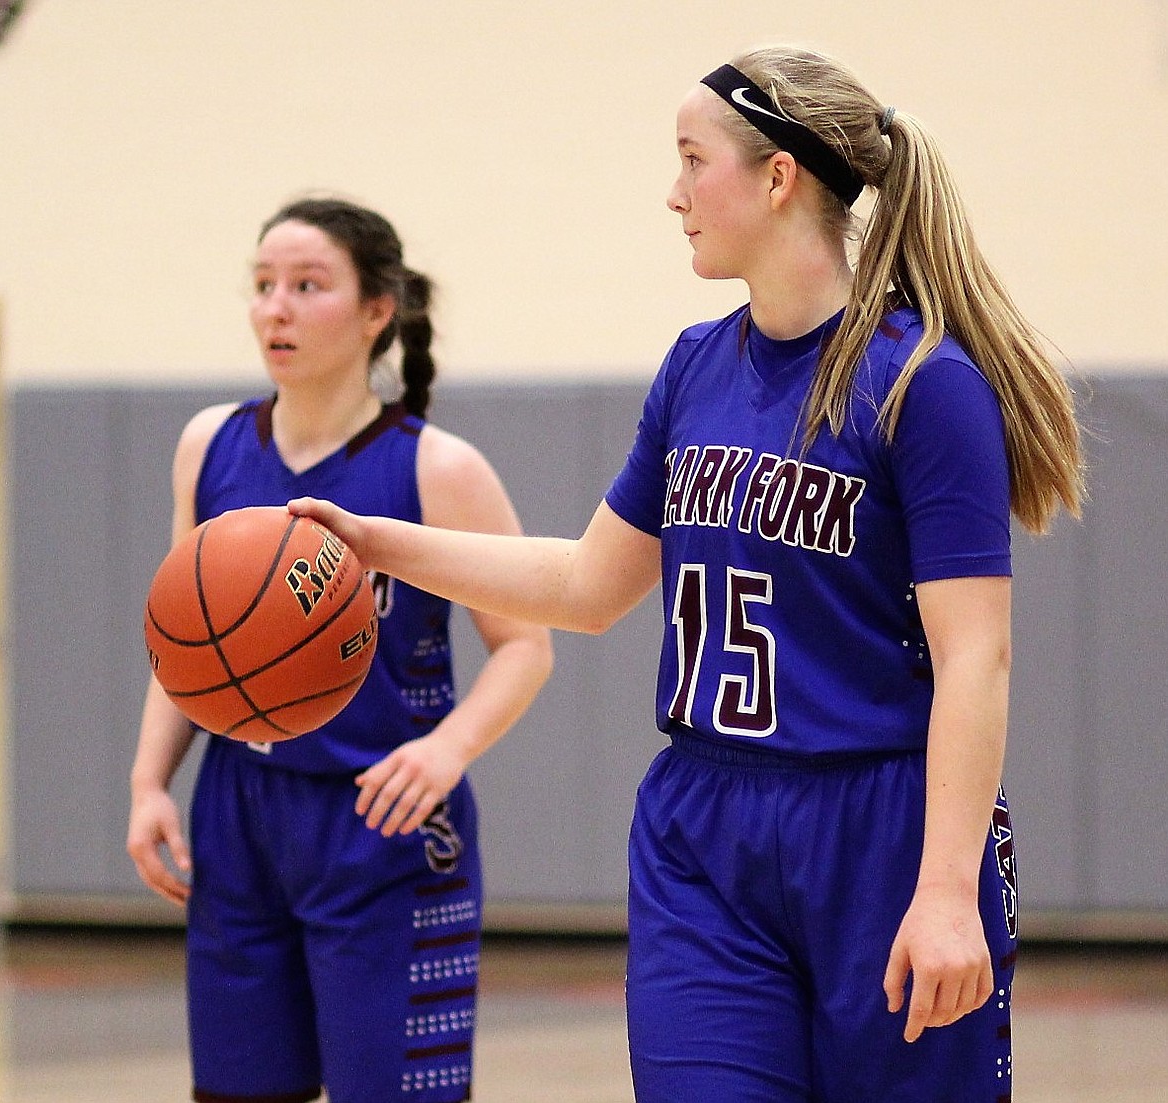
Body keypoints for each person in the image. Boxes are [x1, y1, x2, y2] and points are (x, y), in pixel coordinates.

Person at [288, 45, 1084, 1103]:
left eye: (690, 159)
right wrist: (381, 540)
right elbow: (587, 583)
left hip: (881, 831)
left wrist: (946, 889)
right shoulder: (695, 366)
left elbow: (975, 654)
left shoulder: (922, 383)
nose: (672, 193)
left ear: (776, 177)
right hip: (702, 829)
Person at [127, 195, 553, 1103]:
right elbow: (188, 649)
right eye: (263, 285)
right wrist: (148, 782)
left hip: (384, 818)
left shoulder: (437, 467)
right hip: (238, 812)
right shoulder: (208, 445)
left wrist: (448, 749)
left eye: (307, 285)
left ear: (375, 311)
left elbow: (526, 645)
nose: (274, 307)